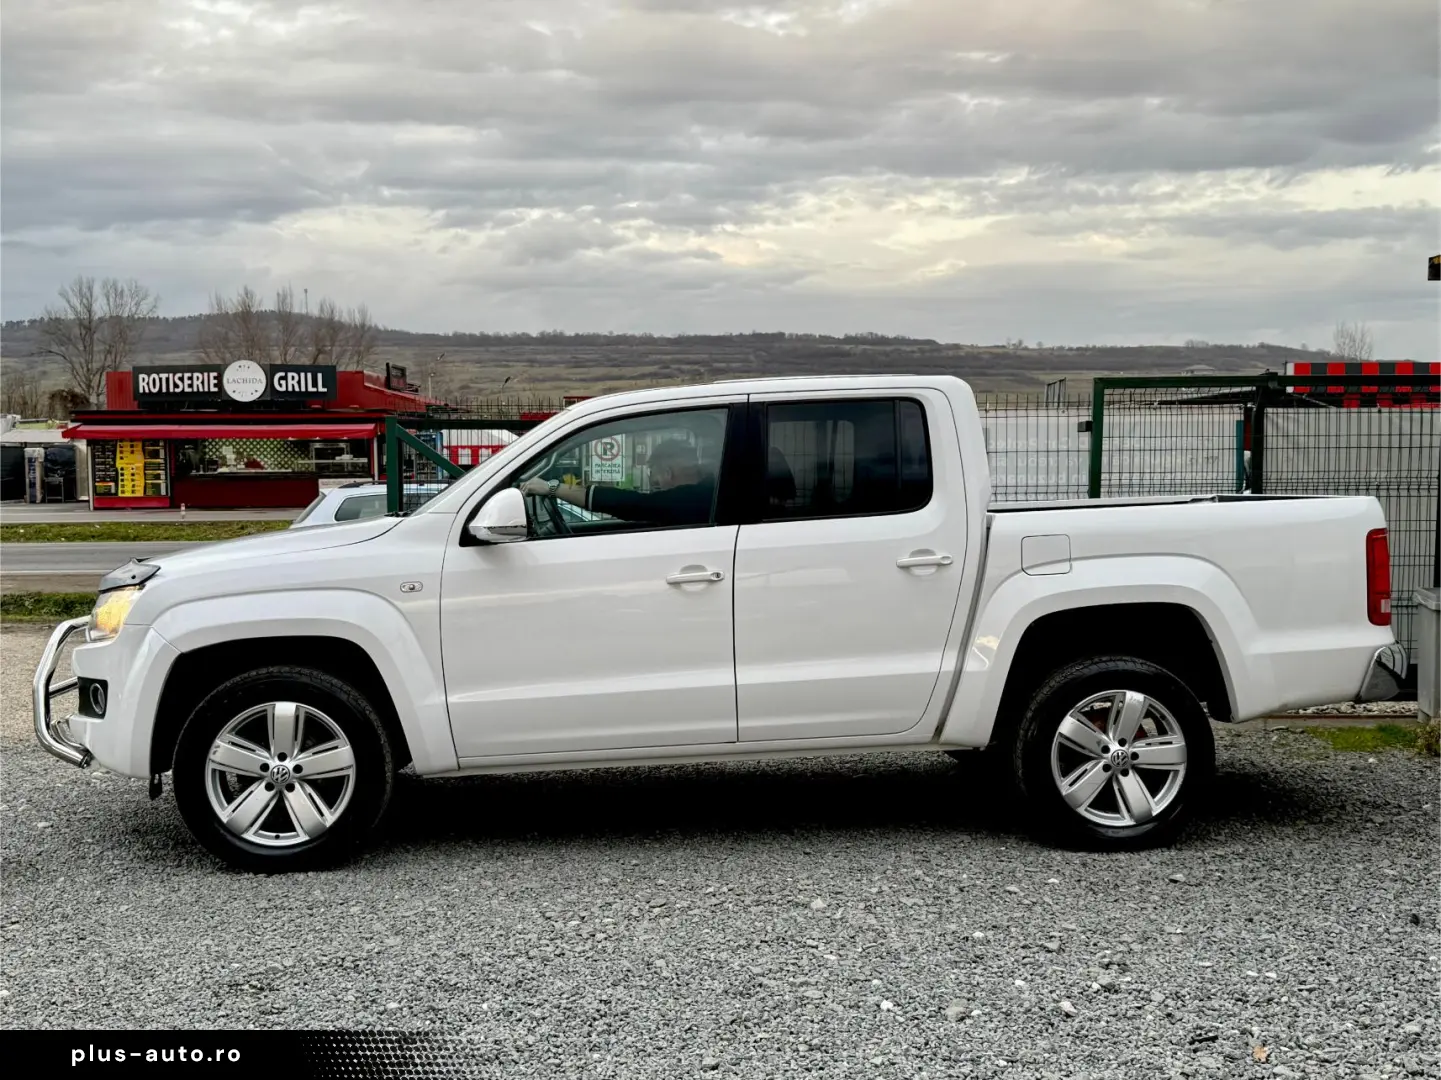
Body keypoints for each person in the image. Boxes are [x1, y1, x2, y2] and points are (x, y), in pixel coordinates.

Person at [520, 437, 716, 527]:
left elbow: (629, 503)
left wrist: (552, 488)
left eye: (653, 475)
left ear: (667, 472)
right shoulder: (707, 492)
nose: (654, 483)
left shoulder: (691, 498)